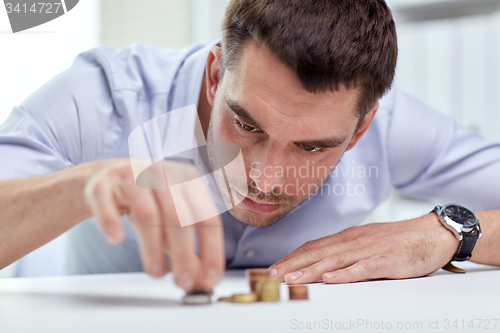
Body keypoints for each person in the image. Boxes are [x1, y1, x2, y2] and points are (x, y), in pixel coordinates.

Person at [0, 0, 499, 291]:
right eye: (247, 125)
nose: (264, 178)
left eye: (310, 148)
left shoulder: (392, 125)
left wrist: (448, 233)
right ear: (216, 76)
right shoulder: (101, 96)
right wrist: (79, 186)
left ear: (362, 129)